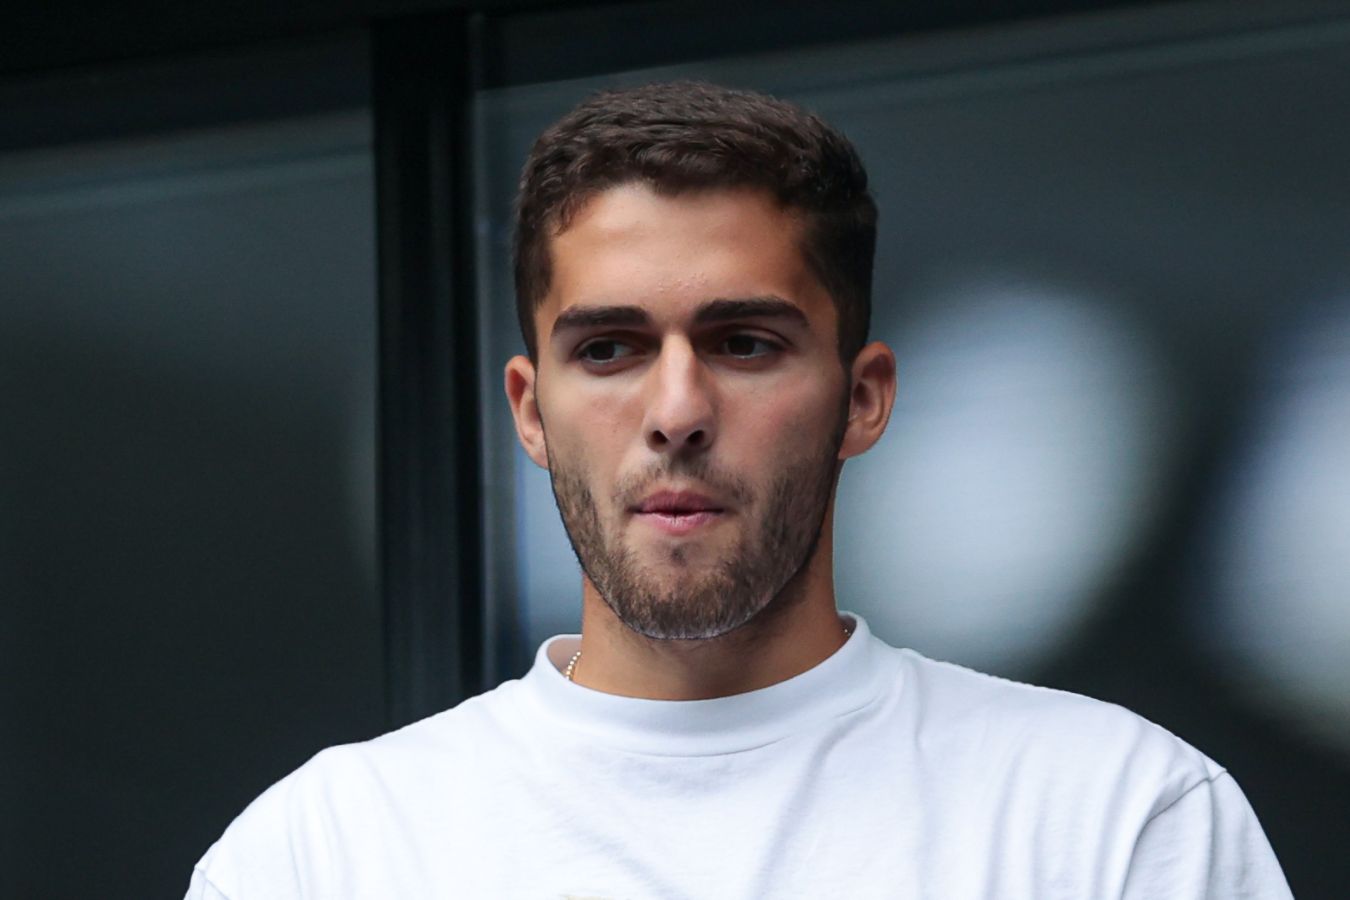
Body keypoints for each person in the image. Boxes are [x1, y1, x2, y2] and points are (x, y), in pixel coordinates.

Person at [186, 81, 1292, 899]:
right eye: (610, 349)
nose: (676, 410)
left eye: (745, 343)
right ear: (527, 411)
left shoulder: (1116, 818)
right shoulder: (321, 856)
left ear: (864, 399)